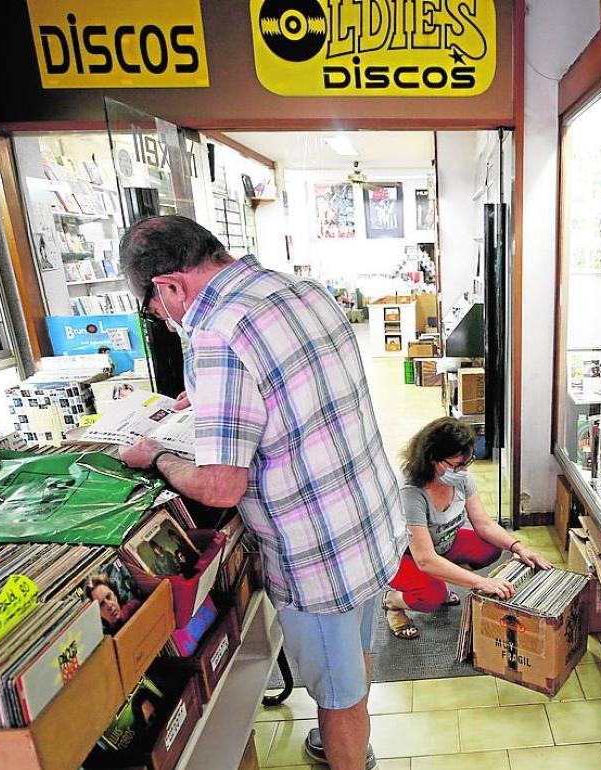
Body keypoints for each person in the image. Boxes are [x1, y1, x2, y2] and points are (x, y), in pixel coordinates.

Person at [117, 215, 406, 770]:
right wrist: (206, 404)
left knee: (336, 693)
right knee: (349, 657)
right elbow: (289, 387)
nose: (167, 320)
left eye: (158, 310)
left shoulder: (215, 333)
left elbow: (222, 486)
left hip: (316, 550)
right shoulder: (300, 288)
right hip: (366, 518)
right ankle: (347, 740)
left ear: (168, 286)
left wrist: (157, 456)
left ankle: (349, 757)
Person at [384, 417, 551, 639]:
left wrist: (519, 547)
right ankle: (392, 602)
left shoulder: (459, 478)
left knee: (490, 548)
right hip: (403, 556)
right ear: (433, 459)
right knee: (431, 596)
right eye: (457, 465)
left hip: (440, 543)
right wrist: (481, 582)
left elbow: (483, 523)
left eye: (467, 463)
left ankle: (439, 579)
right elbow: (424, 558)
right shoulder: (411, 492)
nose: (463, 471)